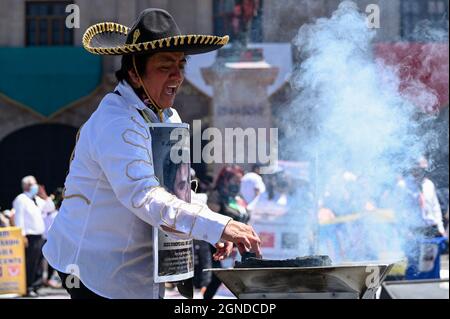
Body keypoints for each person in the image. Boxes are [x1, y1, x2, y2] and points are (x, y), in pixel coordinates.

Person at [42, 8, 261, 299]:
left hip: (139, 269)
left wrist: (211, 227)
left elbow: (177, 188)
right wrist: (218, 226)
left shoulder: (166, 117)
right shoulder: (117, 121)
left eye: (181, 65)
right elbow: (143, 195)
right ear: (134, 72)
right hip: (92, 267)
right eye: (165, 66)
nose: (177, 75)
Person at [204, 165, 248, 299]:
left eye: (240, 182)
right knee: (217, 278)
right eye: (235, 181)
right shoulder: (216, 195)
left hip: (239, 247)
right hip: (220, 245)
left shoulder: (238, 198)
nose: (238, 184)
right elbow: (211, 222)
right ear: (226, 179)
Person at [13, 176, 55, 296]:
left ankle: (36, 285)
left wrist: (45, 196)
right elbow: (19, 218)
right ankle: (28, 287)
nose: (36, 186)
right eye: (33, 183)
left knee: (38, 263)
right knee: (30, 263)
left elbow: (50, 208)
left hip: (39, 235)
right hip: (29, 236)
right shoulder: (21, 199)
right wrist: (22, 235)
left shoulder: (36, 199)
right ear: (26, 186)